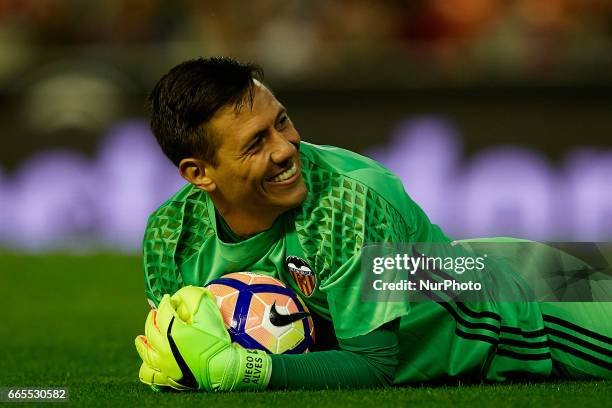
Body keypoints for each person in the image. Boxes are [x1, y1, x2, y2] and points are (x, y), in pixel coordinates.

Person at [134, 57, 612, 392]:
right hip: (468, 265)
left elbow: (374, 364)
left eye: (282, 122)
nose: (285, 148)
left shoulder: (346, 201)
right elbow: (182, 353)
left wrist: (247, 370)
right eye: (256, 143)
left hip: (519, 311)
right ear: (199, 173)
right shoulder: (170, 236)